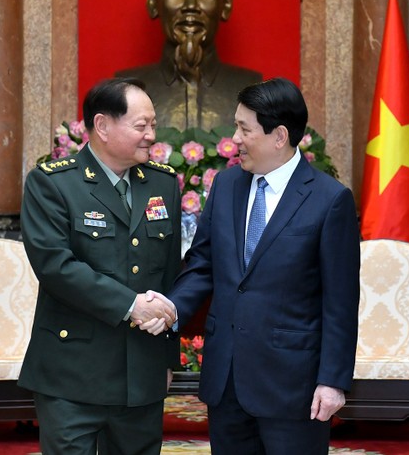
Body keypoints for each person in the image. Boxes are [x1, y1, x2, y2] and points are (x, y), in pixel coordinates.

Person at [141, 77, 361, 454]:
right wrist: (173, 307)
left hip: (294, 385)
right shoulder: (227, 186)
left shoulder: (330, 200)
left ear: (279, 136)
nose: (236, 138)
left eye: (244, 129)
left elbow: (340, 301)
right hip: (226, 380)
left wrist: (333, 381)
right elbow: (203, 264)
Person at [18, 77, 181, 455]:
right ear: (103, 126)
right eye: (141, 126)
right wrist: (132, 306)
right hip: (72, 374)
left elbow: (169, 273)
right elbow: (57, 267)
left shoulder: (162, 184)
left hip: (142, 373)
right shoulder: (53, 184)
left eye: (153, 124)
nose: (151, 135)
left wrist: (167, 357)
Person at [115, 0, 262, 131]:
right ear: (152, 1)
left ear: (225, 3)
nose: (190, 5)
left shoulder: (252, 87)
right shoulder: (124, 89)